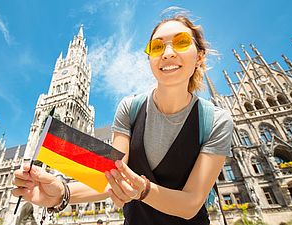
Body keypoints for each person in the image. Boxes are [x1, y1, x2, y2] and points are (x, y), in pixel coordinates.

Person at [12, 11, 233, 225]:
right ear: (150, 58)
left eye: (181, 42)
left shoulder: (215, 121)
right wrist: (61, 192)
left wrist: (143, 190)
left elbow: (191, 204)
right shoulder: (130, 108)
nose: (167, 53)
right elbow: (111, 178)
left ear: (199, 56)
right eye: (157, 46)